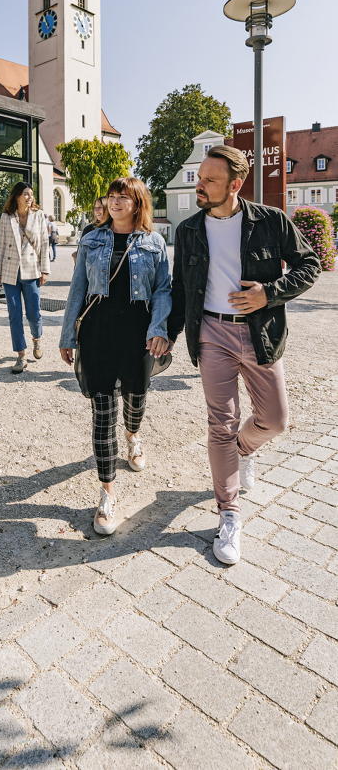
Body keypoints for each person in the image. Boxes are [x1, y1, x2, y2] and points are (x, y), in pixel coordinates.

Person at [167, 144, 321, 565]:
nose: (198, 185)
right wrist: (166, 333)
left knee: (275, 420)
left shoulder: (271, 222)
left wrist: (268, 294)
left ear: (235, 185)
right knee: (221, 424)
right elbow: (181, 290)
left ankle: (244, 450)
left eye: (209, 180)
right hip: (211, 334)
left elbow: (310, 265)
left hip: (260, 333)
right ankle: (229, 513)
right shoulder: (188, 230)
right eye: (198, 176)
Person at [60, 177, 171, 535]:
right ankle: (107, 493)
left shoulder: (154, 242)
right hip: (98, 332)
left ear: (138, 202)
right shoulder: (91, 239)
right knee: (103, 411)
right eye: (112, 196)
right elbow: (78, 288)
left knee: (136, 397)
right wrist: (67, 335)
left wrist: (159, 328)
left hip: (138, 334)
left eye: (124, 196)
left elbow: (163, 291)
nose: (116, 201)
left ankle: (134, 436)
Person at [0, 182, 50, 373]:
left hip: (32, 269)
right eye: (25, 194)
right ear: (17, 196)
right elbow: (0, 245)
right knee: (14, 314)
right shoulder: (6, 216)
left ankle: (36, 338)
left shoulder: (39, 215)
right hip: (10, 271)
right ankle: (21, 355)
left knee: (33, 313)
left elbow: (44, 242)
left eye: (31, 194)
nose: (29, 197)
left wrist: (45, 270)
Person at [72, 197, 107, 263]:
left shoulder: (116, 229)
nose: (96, 210)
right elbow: (80, 257)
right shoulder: (89, 230)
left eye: (100, 207)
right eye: (95, 208)